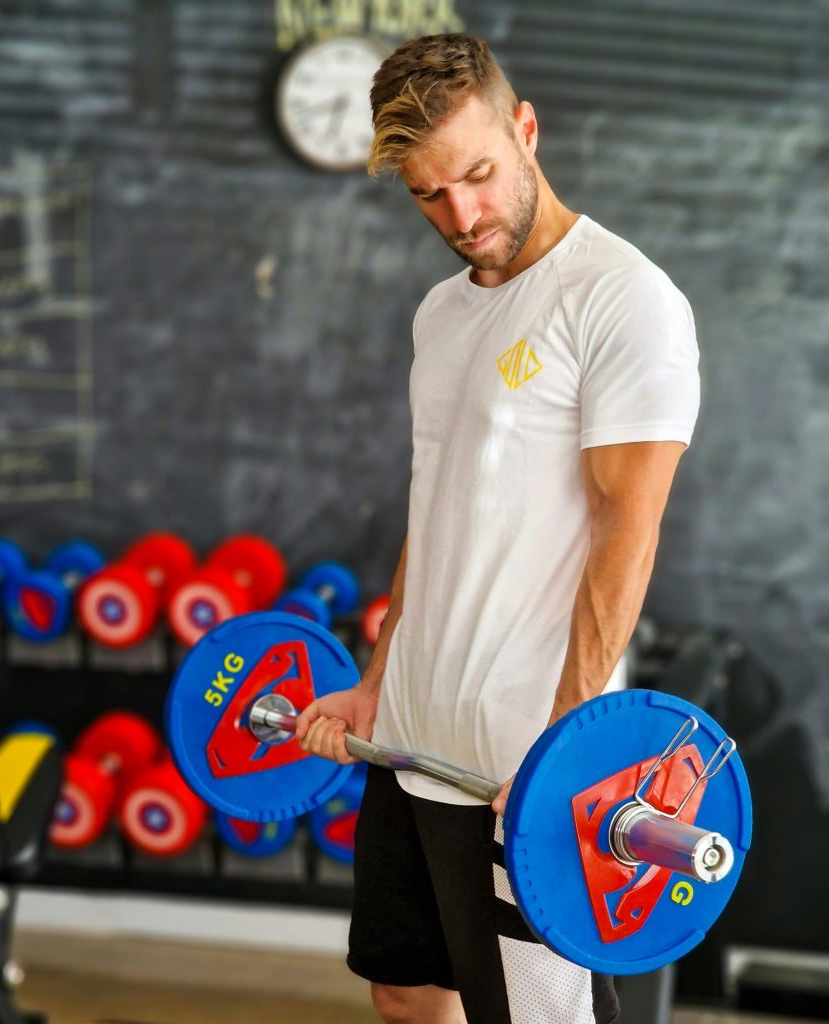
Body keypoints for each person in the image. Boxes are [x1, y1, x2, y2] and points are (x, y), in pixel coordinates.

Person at [295, 32, 700, 1024]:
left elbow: (625, 529)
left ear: (524, 130)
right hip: (411, 737)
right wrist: (376, 683)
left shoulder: (619, 299)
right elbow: (435, 509)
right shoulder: (440, 314)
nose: (461, 214)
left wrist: (567, 751)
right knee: (406, 990)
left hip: (520, 762)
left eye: (476, 174)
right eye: (429, 193)